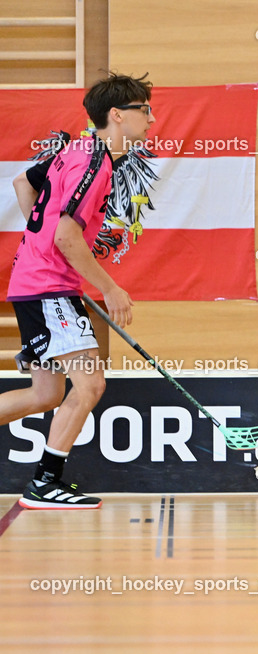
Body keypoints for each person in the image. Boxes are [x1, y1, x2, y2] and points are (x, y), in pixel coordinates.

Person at [3, 72, 154, 509]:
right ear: (117, 115)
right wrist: (110, 288)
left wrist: (40, 247)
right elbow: (66, 234)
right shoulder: (95, 161)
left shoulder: (77, 150)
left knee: (45, 394)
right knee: (89, 384)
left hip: (36, 283)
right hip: (48, 288)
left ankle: (44, 484)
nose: (151, 119)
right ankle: (44, 484)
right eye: (144, 110)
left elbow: (23, 183)